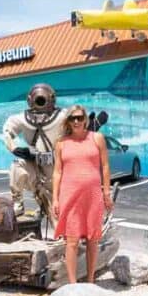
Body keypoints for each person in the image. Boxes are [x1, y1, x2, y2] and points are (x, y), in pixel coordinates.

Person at [52, 105, 114, 283]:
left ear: (85, 119)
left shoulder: (97, 138)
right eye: (73, 118)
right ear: (68, 122)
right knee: (71, 241)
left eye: (79, 117)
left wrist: (107, 192)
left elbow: (105, 167)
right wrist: (55, 199)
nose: (77, 121)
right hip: (69, 196)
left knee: (93, 240)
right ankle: (73, 285)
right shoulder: (61, 143)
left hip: (93, 196)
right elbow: (57, 172)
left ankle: (90, 281)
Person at [2, 83, 67, 224]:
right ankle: (17, 202)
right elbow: (7, 129)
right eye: (38, 99)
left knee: (59, 221)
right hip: (36, 170)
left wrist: (93, 125)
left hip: (57, 174)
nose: (40, 101)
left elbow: (78, 123)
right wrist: (13, 147)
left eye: (43, 98)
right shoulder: (23, 119)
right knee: (17, 166)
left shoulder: (62, 116)